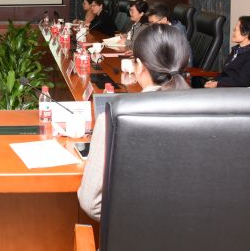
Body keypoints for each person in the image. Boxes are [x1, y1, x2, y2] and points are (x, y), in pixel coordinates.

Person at [78, 24, 191, 221]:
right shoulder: (214, 115)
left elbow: (91, 203)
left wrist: (133, 221)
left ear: (139, 66)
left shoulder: (115, 118)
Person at [204, 16, 250, 88]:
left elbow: (242, 82)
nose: (233, 30)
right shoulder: (237, 49)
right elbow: (226, 73)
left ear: (246, 33)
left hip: (235, 92)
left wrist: (217, 84)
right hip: (224, 87)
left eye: (236, 29)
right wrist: (214, 81)